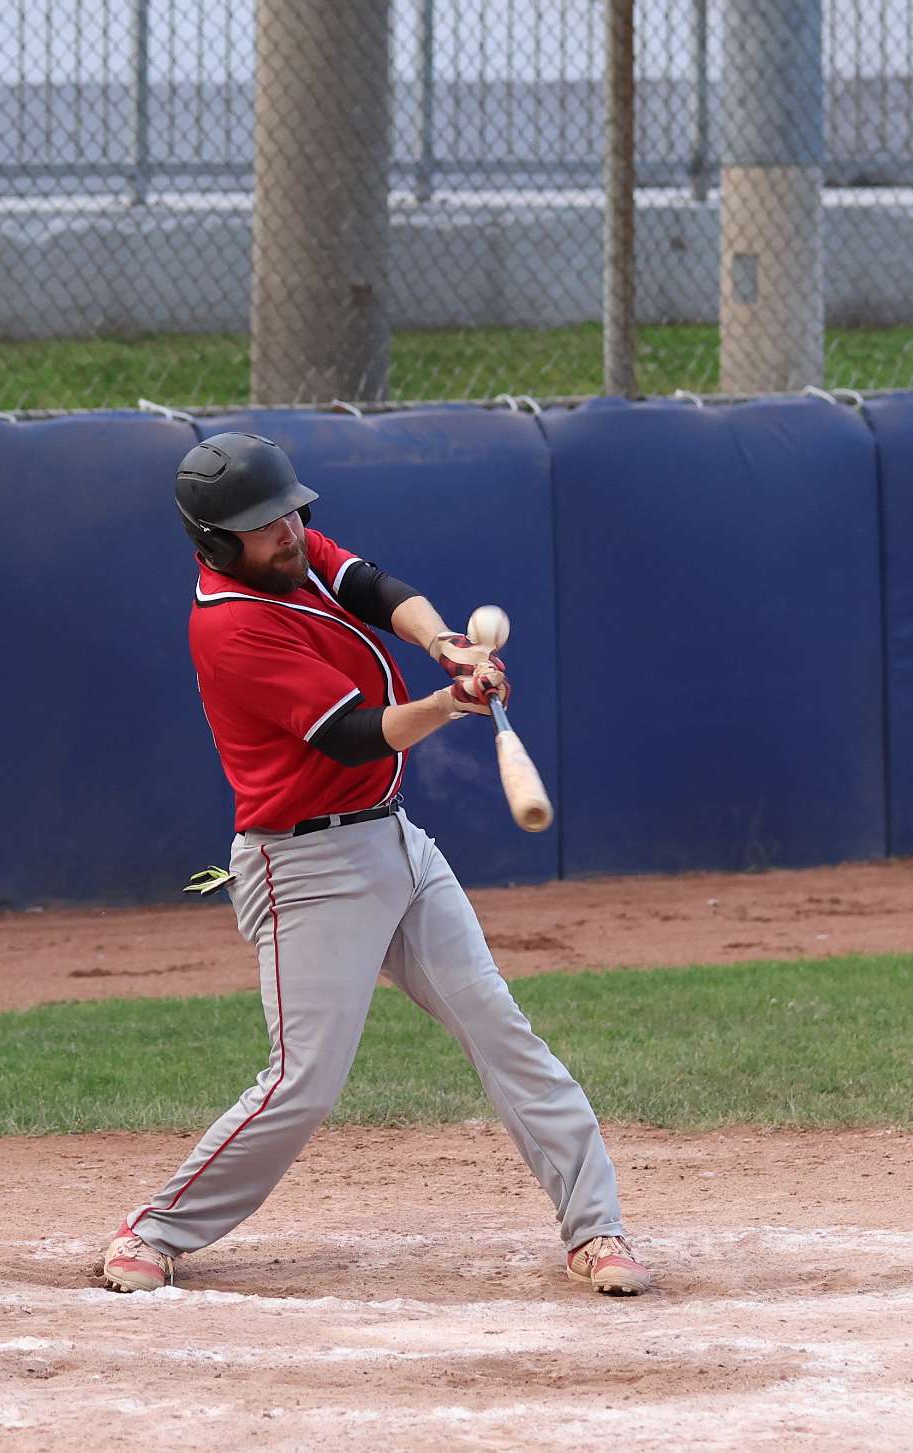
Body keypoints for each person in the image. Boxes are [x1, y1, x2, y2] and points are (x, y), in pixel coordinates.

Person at [98, 431, 649, 1298]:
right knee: (303, 1083)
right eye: (264, 525)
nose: (288, 531)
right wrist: (449, 702)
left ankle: (595, 1226)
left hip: (394, 841)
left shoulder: (287, 551)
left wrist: (446, 644)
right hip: (304, 867)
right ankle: (155, 1229)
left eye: (290, 513)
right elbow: (356, 736)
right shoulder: (232, 625)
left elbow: (372, 585)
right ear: (216, 542)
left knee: (499, 1027)